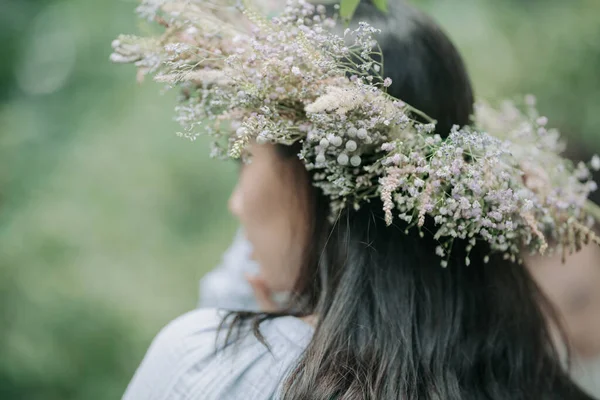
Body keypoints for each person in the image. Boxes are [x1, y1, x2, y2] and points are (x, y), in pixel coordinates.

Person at [113, 1, 598, 399]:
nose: (237, 205)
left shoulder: (210, 365)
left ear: (313, 176)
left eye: (245, 157)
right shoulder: (535, 381)